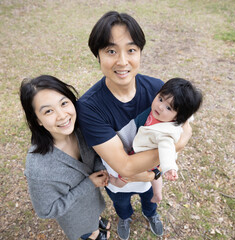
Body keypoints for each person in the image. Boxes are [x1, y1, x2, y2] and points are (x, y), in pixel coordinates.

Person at [76, 11, 192, 240]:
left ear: (139, 52)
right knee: (121, 205)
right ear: (97, 55)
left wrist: (154, 173)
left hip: (150, 174)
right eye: (110, 51)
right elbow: (126, 166)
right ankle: (125, 218)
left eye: (131, 50)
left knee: (150, 198)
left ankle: (151, 215)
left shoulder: (158, 89)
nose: (122, 61)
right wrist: (177, 147)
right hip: (118, 181)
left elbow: (184, 124)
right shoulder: (89, 108)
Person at [19, 75, 110, 240]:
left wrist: (99, 169)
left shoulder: (81, 129)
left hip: (93, 203)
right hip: (76, 218)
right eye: (48, 111)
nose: (62, 116)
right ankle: (93, 234)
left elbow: (95, 153)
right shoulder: (38, 168)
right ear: (37, 120)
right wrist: (89, 184)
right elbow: (46, 210)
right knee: (90, 232)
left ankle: (96, 222)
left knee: (95, 218)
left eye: (64, 103)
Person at [111, 78, 203, 204]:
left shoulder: (166, 132)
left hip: (144, 157)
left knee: (126, 173)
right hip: (154, 159)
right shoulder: (159, 114)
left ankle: (117, 183)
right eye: (160, 99)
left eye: (168, 108)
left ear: (178, 116)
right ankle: (157, 193)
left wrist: (170, 167)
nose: (160, 107)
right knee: (156, 175)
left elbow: (166, 148)